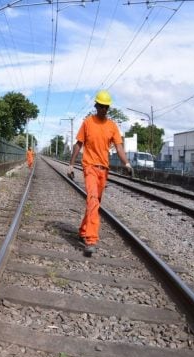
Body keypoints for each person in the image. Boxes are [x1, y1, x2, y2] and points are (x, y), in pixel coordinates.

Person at [67, 90, 132, 256]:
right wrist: (71, 165)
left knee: (94, 203)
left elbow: (119, 147)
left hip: (104, 170)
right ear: (96, 106)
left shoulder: (112, 126)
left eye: (106, 107)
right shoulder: (88, 123)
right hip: (89, 167)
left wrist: (126, 163)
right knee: (93, 201)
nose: (103, 109)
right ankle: (90, 239)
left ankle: (83, 230)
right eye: (101, 106)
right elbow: (78, 144)